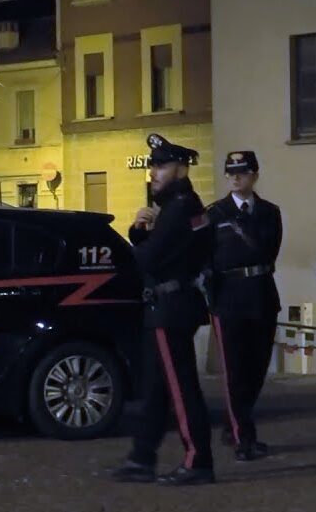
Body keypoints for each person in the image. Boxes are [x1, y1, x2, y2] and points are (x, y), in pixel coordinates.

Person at [112, 133, 215, 486]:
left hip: (169, 307)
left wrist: (137, 239)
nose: (154, 172)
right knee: (155, 390)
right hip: (172, 305)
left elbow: (150, 259)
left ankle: (197, 461)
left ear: (181, 169)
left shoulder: (179, 208)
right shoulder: (184, 207)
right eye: (153, 165)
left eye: (162, 165)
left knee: (181, 390)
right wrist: (143, 232)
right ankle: (142, 457)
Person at [208, 151, 282, 462]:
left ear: (254, 175)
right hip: (229, 298)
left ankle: (234, 424)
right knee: (235, 371)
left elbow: (270, 251)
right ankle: (244, 439)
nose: (235, 177)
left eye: (242, 171)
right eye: (231, 172)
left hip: (262, 296)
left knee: (256, 370)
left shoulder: (269, 212)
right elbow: (206, 256)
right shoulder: (215, 213)